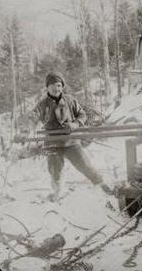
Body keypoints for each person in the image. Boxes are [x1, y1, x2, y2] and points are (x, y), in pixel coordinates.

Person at [28, 72, 111, 201]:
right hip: (53, 143)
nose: (56, 89)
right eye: (53, 86)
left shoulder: (70, 100)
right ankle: (58, 194)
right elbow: (33, 117)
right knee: (55, 171)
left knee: (86, 166)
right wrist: (29, 128)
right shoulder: (43, 104)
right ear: (47, 87)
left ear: (62, 86)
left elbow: (82, 115)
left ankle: (104, 188)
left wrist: (74, 124)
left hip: (71, 142)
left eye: (59, 85)